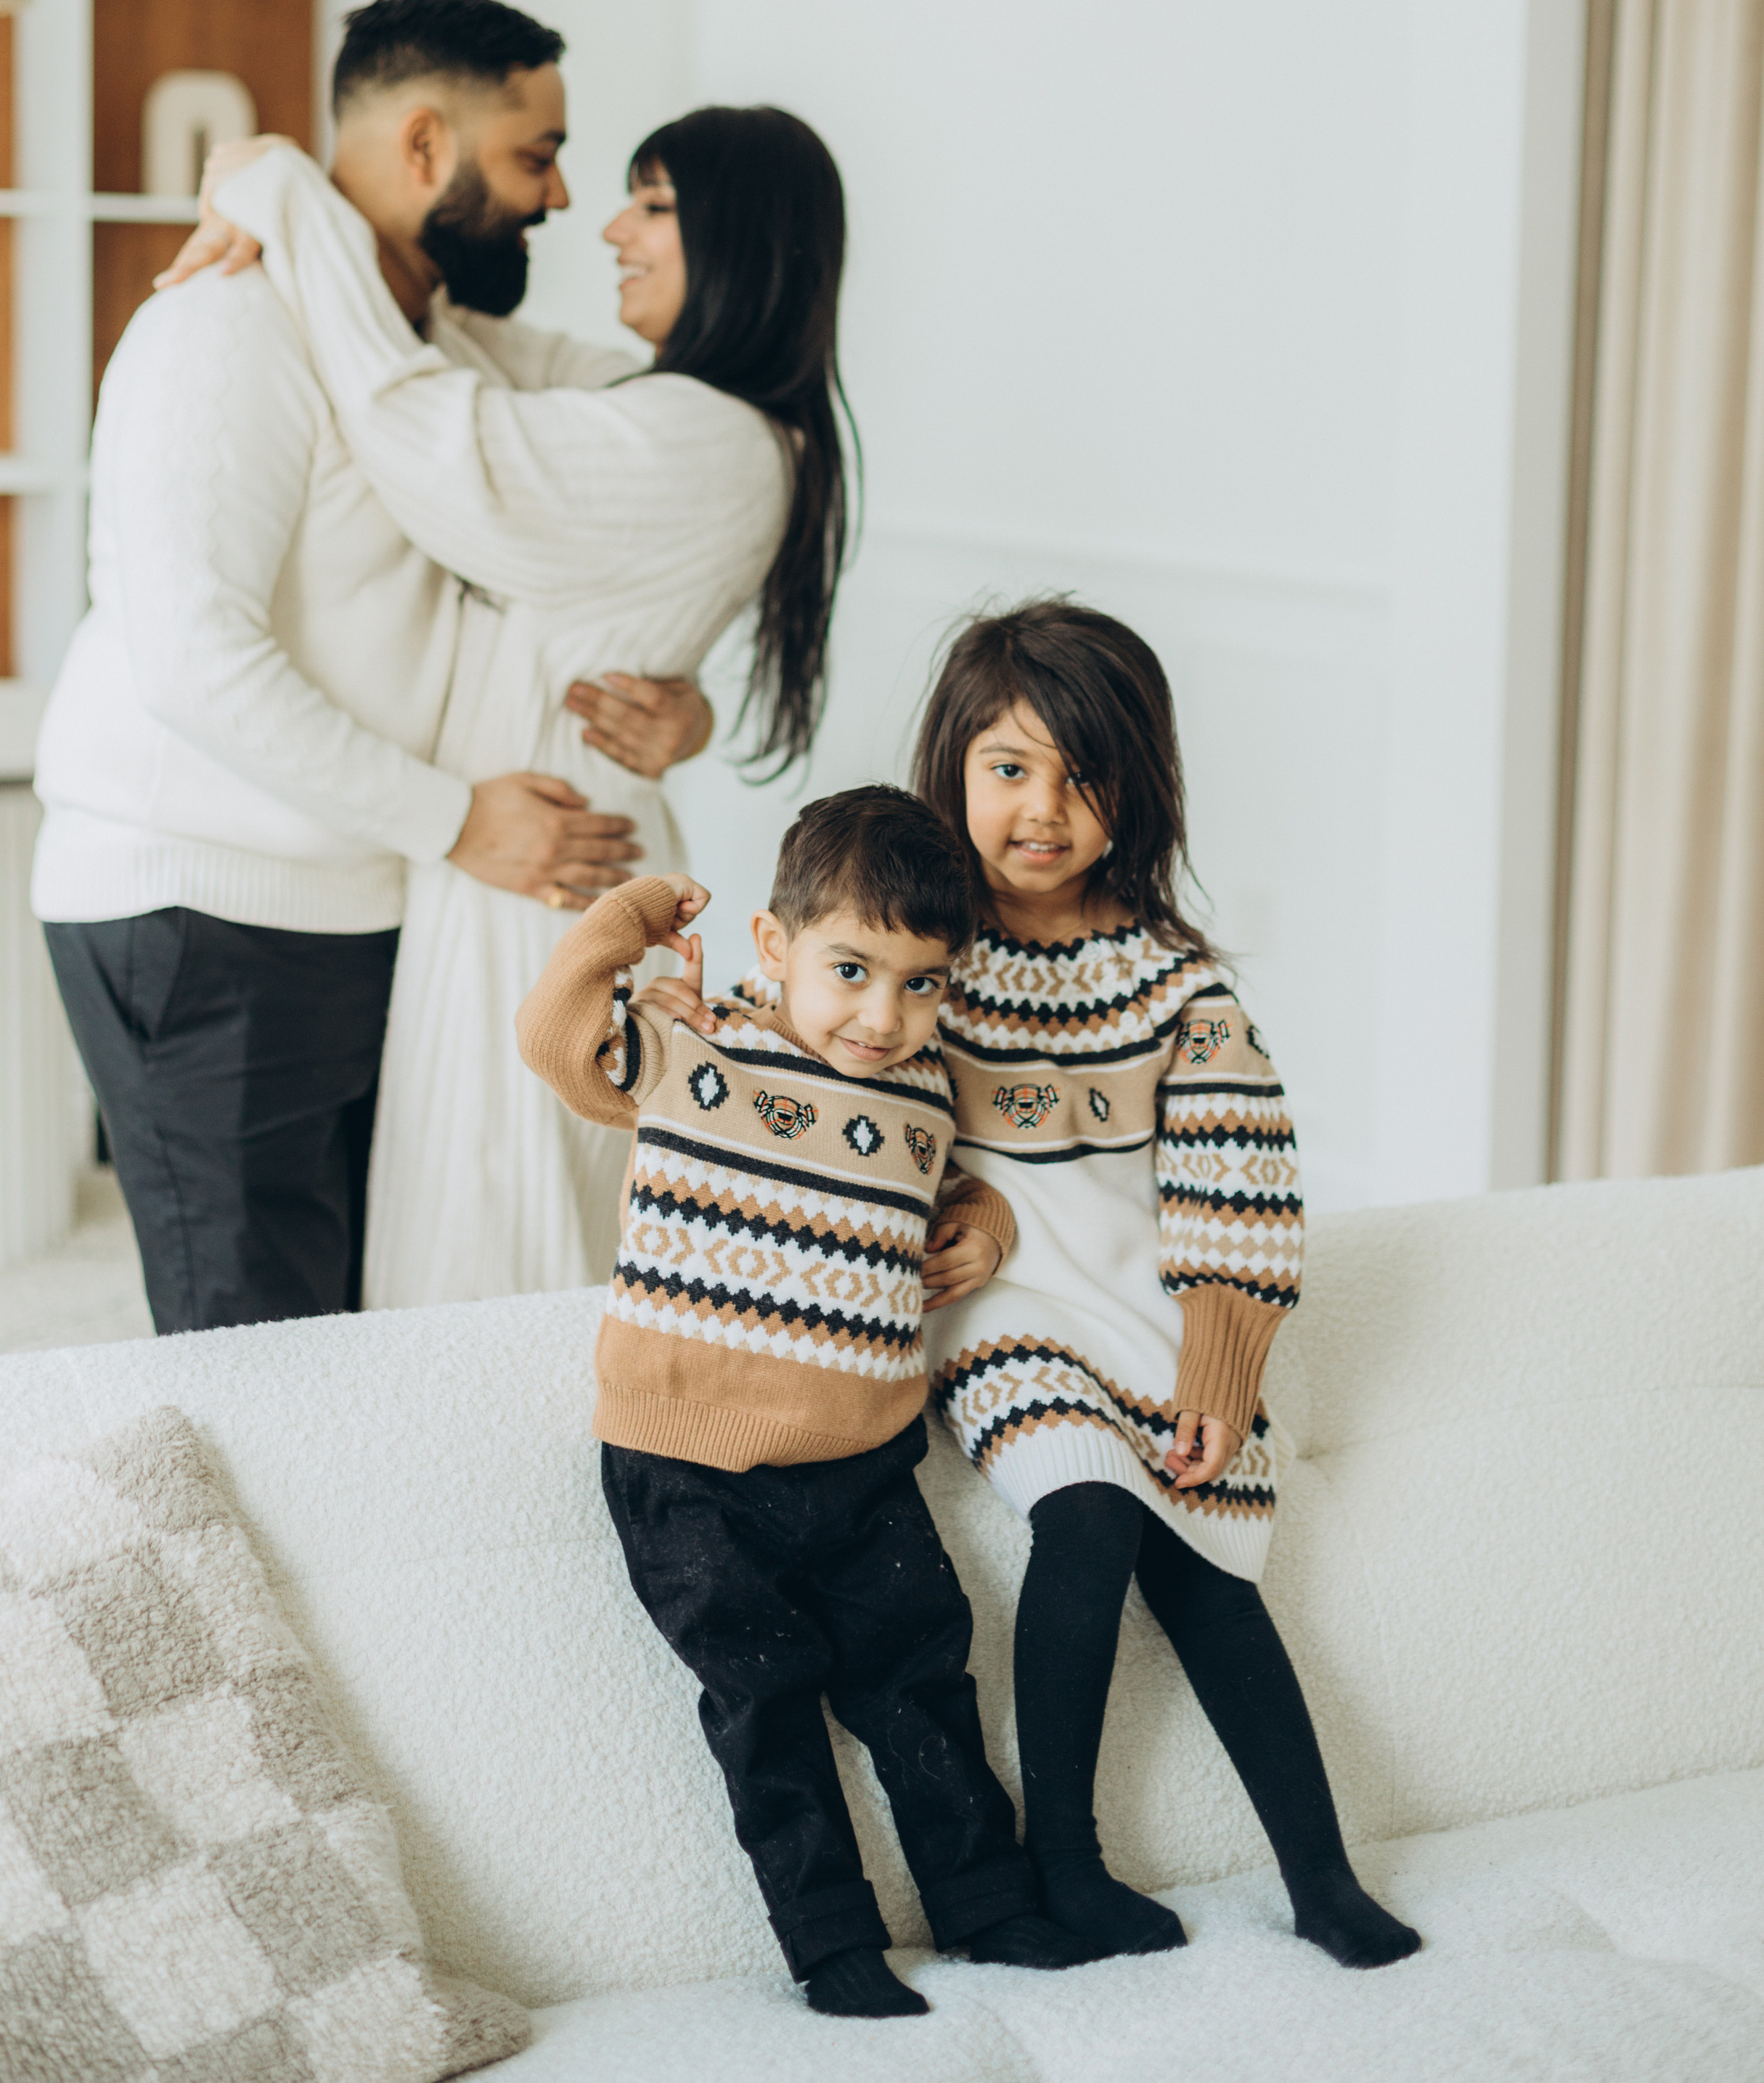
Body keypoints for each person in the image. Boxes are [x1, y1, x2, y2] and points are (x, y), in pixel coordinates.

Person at [36, 0, 707, 1334]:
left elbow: (683, 411)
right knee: (256, 1350)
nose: (562, 197)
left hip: (348, 898)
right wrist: (460, 822)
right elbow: (190, 659)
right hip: (202, 910)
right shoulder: (221, 327)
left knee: (348, 1336)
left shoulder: (434, 351)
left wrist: (680, 703)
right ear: (422, 148)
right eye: (535, 155)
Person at [181, 97, 854, 1297]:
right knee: (519, 1225)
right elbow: (469, 346)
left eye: (653, 206)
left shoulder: (699, 435)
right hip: (557, 858)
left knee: (497, 1249)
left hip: (549, 879)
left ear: (740, 244)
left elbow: (425, 426)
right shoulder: (688, 411)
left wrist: (286, 190)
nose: (608, 229)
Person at [514, 789, 1091, 2018]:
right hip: (686, 1464)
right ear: (775, 949)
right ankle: (831, 1942)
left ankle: (989, 1903)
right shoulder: (696, 1045)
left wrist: (980, 1236)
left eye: (923, 983)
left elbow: (970, 1187)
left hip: (865, 1464)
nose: (884, 1017)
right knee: (765, 1704)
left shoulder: (927, 1091)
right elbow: (556, 1040)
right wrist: (630, 915)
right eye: (850, 971)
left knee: (924, 1680)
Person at [913, 600, 1422, 1969]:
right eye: (1010, 768)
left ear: (1138, 790)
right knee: (1087, 1518)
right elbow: (872, 1120)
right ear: (952, 768)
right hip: (1001, 1313)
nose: (1043, 808)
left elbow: (1238, 1190)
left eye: (1084, 776)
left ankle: (1320, 1878)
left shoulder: (1175, 987)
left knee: (1208, 1562)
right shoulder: (923, 959)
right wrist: (968, 1212)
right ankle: (1061, 1863)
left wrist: (1219, 1375)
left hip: (1145, 1304)